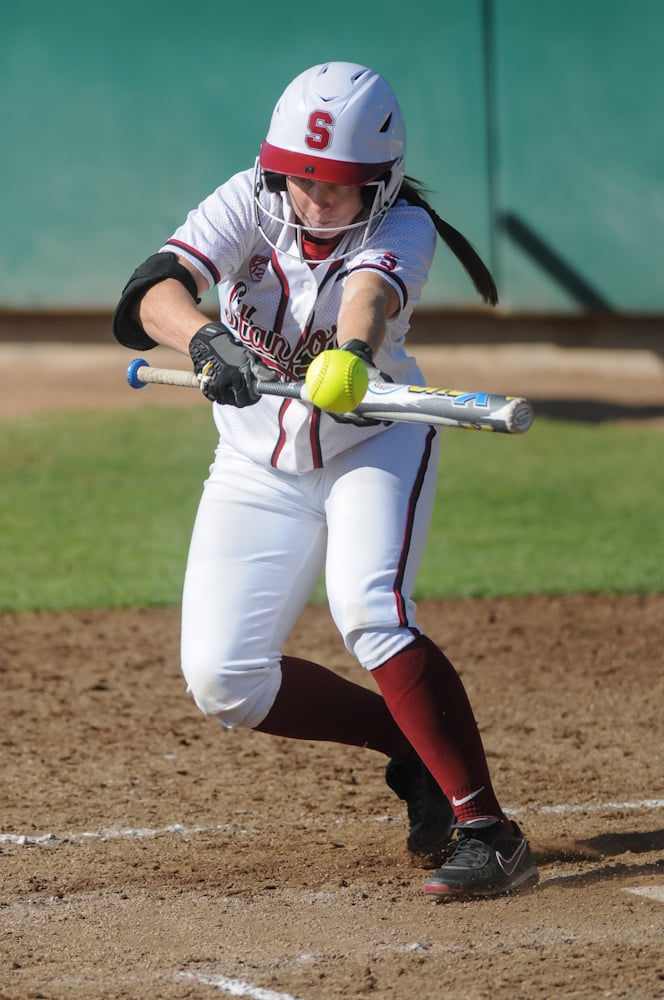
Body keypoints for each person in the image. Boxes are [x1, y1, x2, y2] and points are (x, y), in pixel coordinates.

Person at [112, 61, 538, 900]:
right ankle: (409, 745)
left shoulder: (404, 224)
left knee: (371, 613)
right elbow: (149, 293)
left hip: (370, 445)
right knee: (223, 680)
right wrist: (204, 342)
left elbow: (368, 300)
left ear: (379, 182)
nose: (315, 200)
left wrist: (346, 357)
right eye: (301, 179)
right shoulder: (246, 196)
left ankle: (490, 834)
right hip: (253, 461)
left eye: (339, 187)